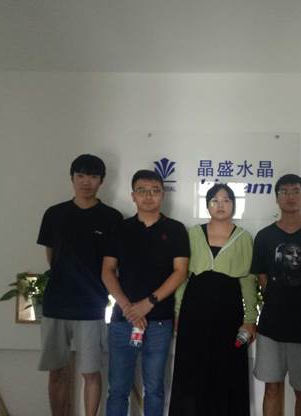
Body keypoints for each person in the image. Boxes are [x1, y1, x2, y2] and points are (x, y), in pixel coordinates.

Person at [37, 154, 123, 416]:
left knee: (91, 372)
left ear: (102, 181)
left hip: (92, 306)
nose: (86, 182)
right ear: (72, 178)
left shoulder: (112, 218)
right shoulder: (54, 214)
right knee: (57, 371)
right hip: (56, 304)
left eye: (93, 176)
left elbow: (112, 265)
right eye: (81, 176)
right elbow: (51, 257)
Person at [102, 169, 189, 416]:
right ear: (133, 195)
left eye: (154, 191)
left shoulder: (176, 229)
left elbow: (180, 272)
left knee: (155, 389)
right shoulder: (120, 229)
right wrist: (128, 308)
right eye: (142, 191)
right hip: (123, 320)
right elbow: (107, 271)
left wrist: (148, 303)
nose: (148, 196)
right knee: (118, 389)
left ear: (163, 195)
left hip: (159, 320)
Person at [169, 184, 258, 416]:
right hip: (194, 311)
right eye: (215, 200)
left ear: (234, 205)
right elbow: (183, 277)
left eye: (226, 200)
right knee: (192, 370)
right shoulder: (193, 234)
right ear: (207, 205)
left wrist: (250, 318)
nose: (220, 205)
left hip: (229, 312)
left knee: (226, 369)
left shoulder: (244, 237)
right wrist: (177, 311)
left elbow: (248, 281)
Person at [251, 174, 301, 416]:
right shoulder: (265, 236)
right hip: (271, 325)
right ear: (276, 198)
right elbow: (262, 277)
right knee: (272, 388)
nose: (290, 196)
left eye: (296, 191)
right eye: (284, 192)